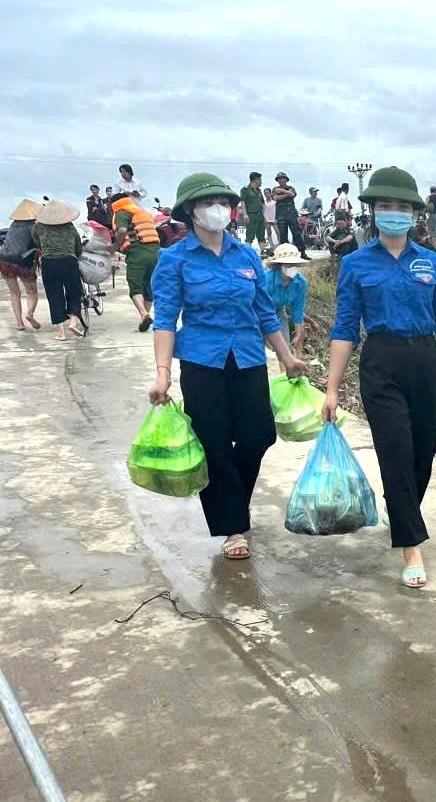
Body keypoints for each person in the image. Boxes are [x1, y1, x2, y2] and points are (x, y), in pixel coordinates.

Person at [321, 166, 436, 588]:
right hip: (381, 362)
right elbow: (344, 328)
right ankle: (411, 546)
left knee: (422, 452)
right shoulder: (356, 264)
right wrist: (333, 388)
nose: (393, 213)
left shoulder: (430, 263)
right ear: (373, 212)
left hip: (425, 361)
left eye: (401, 207)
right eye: (385, 206)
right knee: (394, 449)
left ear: (415, 214)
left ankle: (402, 509)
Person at [149, 172, 306, 561]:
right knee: (214, 443)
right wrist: (163, 373)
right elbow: (166, 318)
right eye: (206, 203)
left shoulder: (246, 255)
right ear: (190, 211)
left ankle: (230, 502)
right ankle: (234, 527)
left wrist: (287, 357)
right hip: (203, 361)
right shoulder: (174, 259)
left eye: (222, 202)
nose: (217, 209)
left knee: (259, 436)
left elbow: (264, 312)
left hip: (249, 357)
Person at [32, 200, 86, 341]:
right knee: (74, 292)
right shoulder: (70, 227)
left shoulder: (38, 227)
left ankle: (61, 332)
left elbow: (37, 242)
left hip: (49, 263)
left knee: (54, 296)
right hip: (69, 261)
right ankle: (73, 323)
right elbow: (78, 248)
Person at [109, 193, 161, 331]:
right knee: (148, 286)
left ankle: (144, 314)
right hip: (155, 253)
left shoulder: (121, 211)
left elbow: (122, 230)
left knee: (135, 285)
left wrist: (115, 246)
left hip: (138, 253)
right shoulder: (141, 211)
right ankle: (145, 316)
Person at [2, 199, 43, 332]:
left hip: (4, 260)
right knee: (32, 292)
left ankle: (19, 323)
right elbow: (39, 244)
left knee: (14, 293)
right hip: (22, 261)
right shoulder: (34, 226)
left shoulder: (13, 225)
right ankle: (29, 314)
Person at [264, 243, 309, 355]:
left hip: (279, 311)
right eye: (288, 265)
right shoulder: (267, 280)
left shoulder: (300, 283)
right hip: (260, 314)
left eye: (294, 264)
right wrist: (266, 337)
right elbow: (259, 310)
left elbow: (297, 312)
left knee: (284, 350)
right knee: (264, 350)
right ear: (280, 265)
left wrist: (298, 335)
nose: (292, 267)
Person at [272, 172, 306, 258]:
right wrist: (287, 193)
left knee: (297, 234)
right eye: (279, 179)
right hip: (281, 216)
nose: (281, 180)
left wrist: (282, 192)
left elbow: (292, 194)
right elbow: (275, 198)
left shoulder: (291, 188)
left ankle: (302, 252)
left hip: (292, 215)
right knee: (283, 235)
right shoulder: (275, 189)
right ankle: (285, 254)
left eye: (283, 178)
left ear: (286, 180)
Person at [240, 172, 267, 253]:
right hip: (251, 215)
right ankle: (248, 252)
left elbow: (262, 203)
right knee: (250, 235)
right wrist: (245, 214)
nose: (261, 182)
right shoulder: (245, 189)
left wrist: (264, 215)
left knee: (261, 234)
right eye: (260, 180)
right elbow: (243, 202)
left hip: (260, 215)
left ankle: (263, 251)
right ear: (255, 180)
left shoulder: (259, 190)